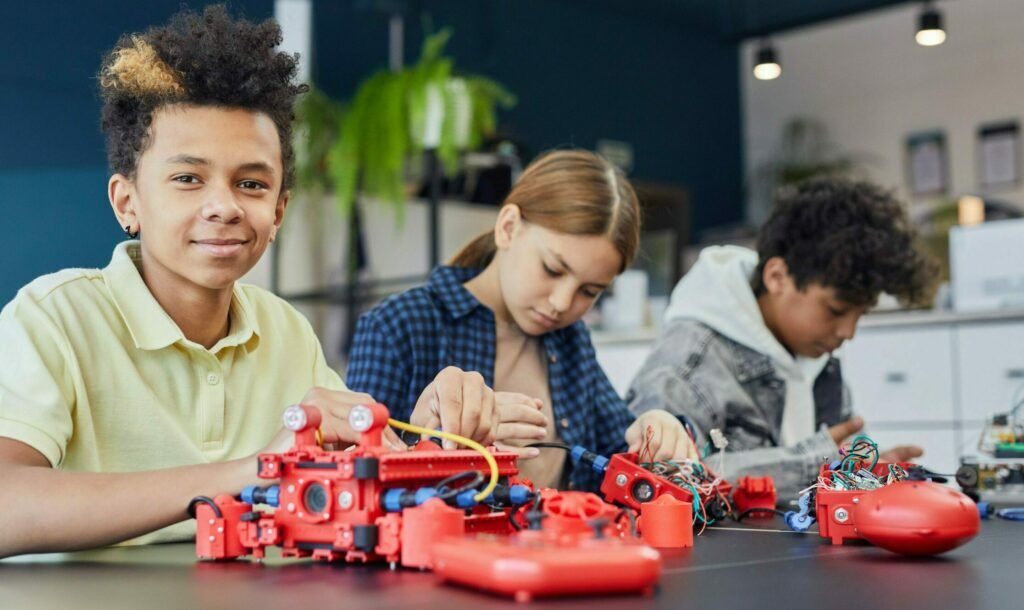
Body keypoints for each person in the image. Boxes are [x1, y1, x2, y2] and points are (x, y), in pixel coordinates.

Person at [0, 6, 495, 558]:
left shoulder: (286, 330)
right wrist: (253, 469)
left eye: (252, 184)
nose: (224, 207)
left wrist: (430, 444)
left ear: (279, 211)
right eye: (188, 178)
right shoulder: (51, 317)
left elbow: (353, 486)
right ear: (127, 202)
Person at [346, 150, 697, 492]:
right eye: (553, 269)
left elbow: (619, 447)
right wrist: (432, 443)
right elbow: (357, 479)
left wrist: (657, 429)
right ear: (508, 227)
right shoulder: (396, 326)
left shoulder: (570, 339)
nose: (562, 304)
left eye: (589, 291)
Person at [627, 177, 937, 498]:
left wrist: (863, 470)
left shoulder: (811, 349)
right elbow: (659, 479)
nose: (848, 332)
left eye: (860, 315)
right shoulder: (687, 366)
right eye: (835, 310)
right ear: (777, 277)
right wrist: (812, 467)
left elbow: (836, 452)